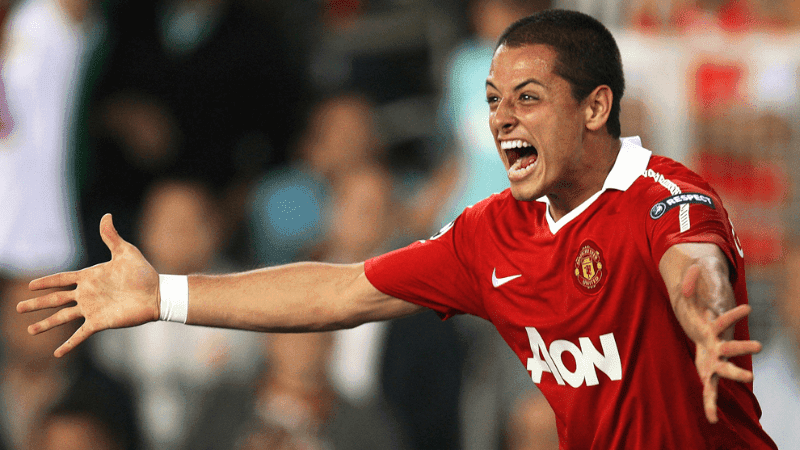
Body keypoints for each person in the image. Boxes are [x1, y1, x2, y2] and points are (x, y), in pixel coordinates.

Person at [18, 9, 776, 449]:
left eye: (528, 98)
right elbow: (339, 291)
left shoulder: (666, 195)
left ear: (596, 108)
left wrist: (704, 320)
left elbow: (693, 261)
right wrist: (165, 296)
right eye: (492, 100)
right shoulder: (489, 234)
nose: (502, 119)